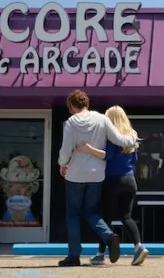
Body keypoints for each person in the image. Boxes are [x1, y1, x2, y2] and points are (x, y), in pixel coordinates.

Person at [56, 89, 139, 266]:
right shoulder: (102, 119)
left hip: (76, 174)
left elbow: (66, 149)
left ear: (72, 105)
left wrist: (62, 164)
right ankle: (109, 236)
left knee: (73, 215)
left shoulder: (71, 122)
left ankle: (74, 256)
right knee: (91, 211)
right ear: (87, 103)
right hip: (97, 174)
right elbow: (120, 141)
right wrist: (132, 136)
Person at [76, 105, 149, 266]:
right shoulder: (130, 136)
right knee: (127, 217)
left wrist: (89, 149)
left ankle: (101, 254)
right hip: (130, 181)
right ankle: (139, 247)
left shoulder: (111, 136)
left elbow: (107, 156)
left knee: (105, 218)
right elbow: (135, 160)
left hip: (112, 181)